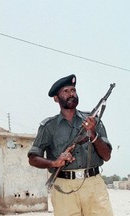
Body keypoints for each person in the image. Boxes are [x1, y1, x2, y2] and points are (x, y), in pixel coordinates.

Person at [27, 74, 113, 216]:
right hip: (63, 188)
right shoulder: (49, 126)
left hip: (94, 185)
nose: (71, 94)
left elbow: (106, 155)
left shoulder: (93, 121)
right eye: (65, 91)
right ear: (56, 98)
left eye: (73, 90)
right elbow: (32, 158)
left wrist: (93, 135)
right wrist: (54, 163)